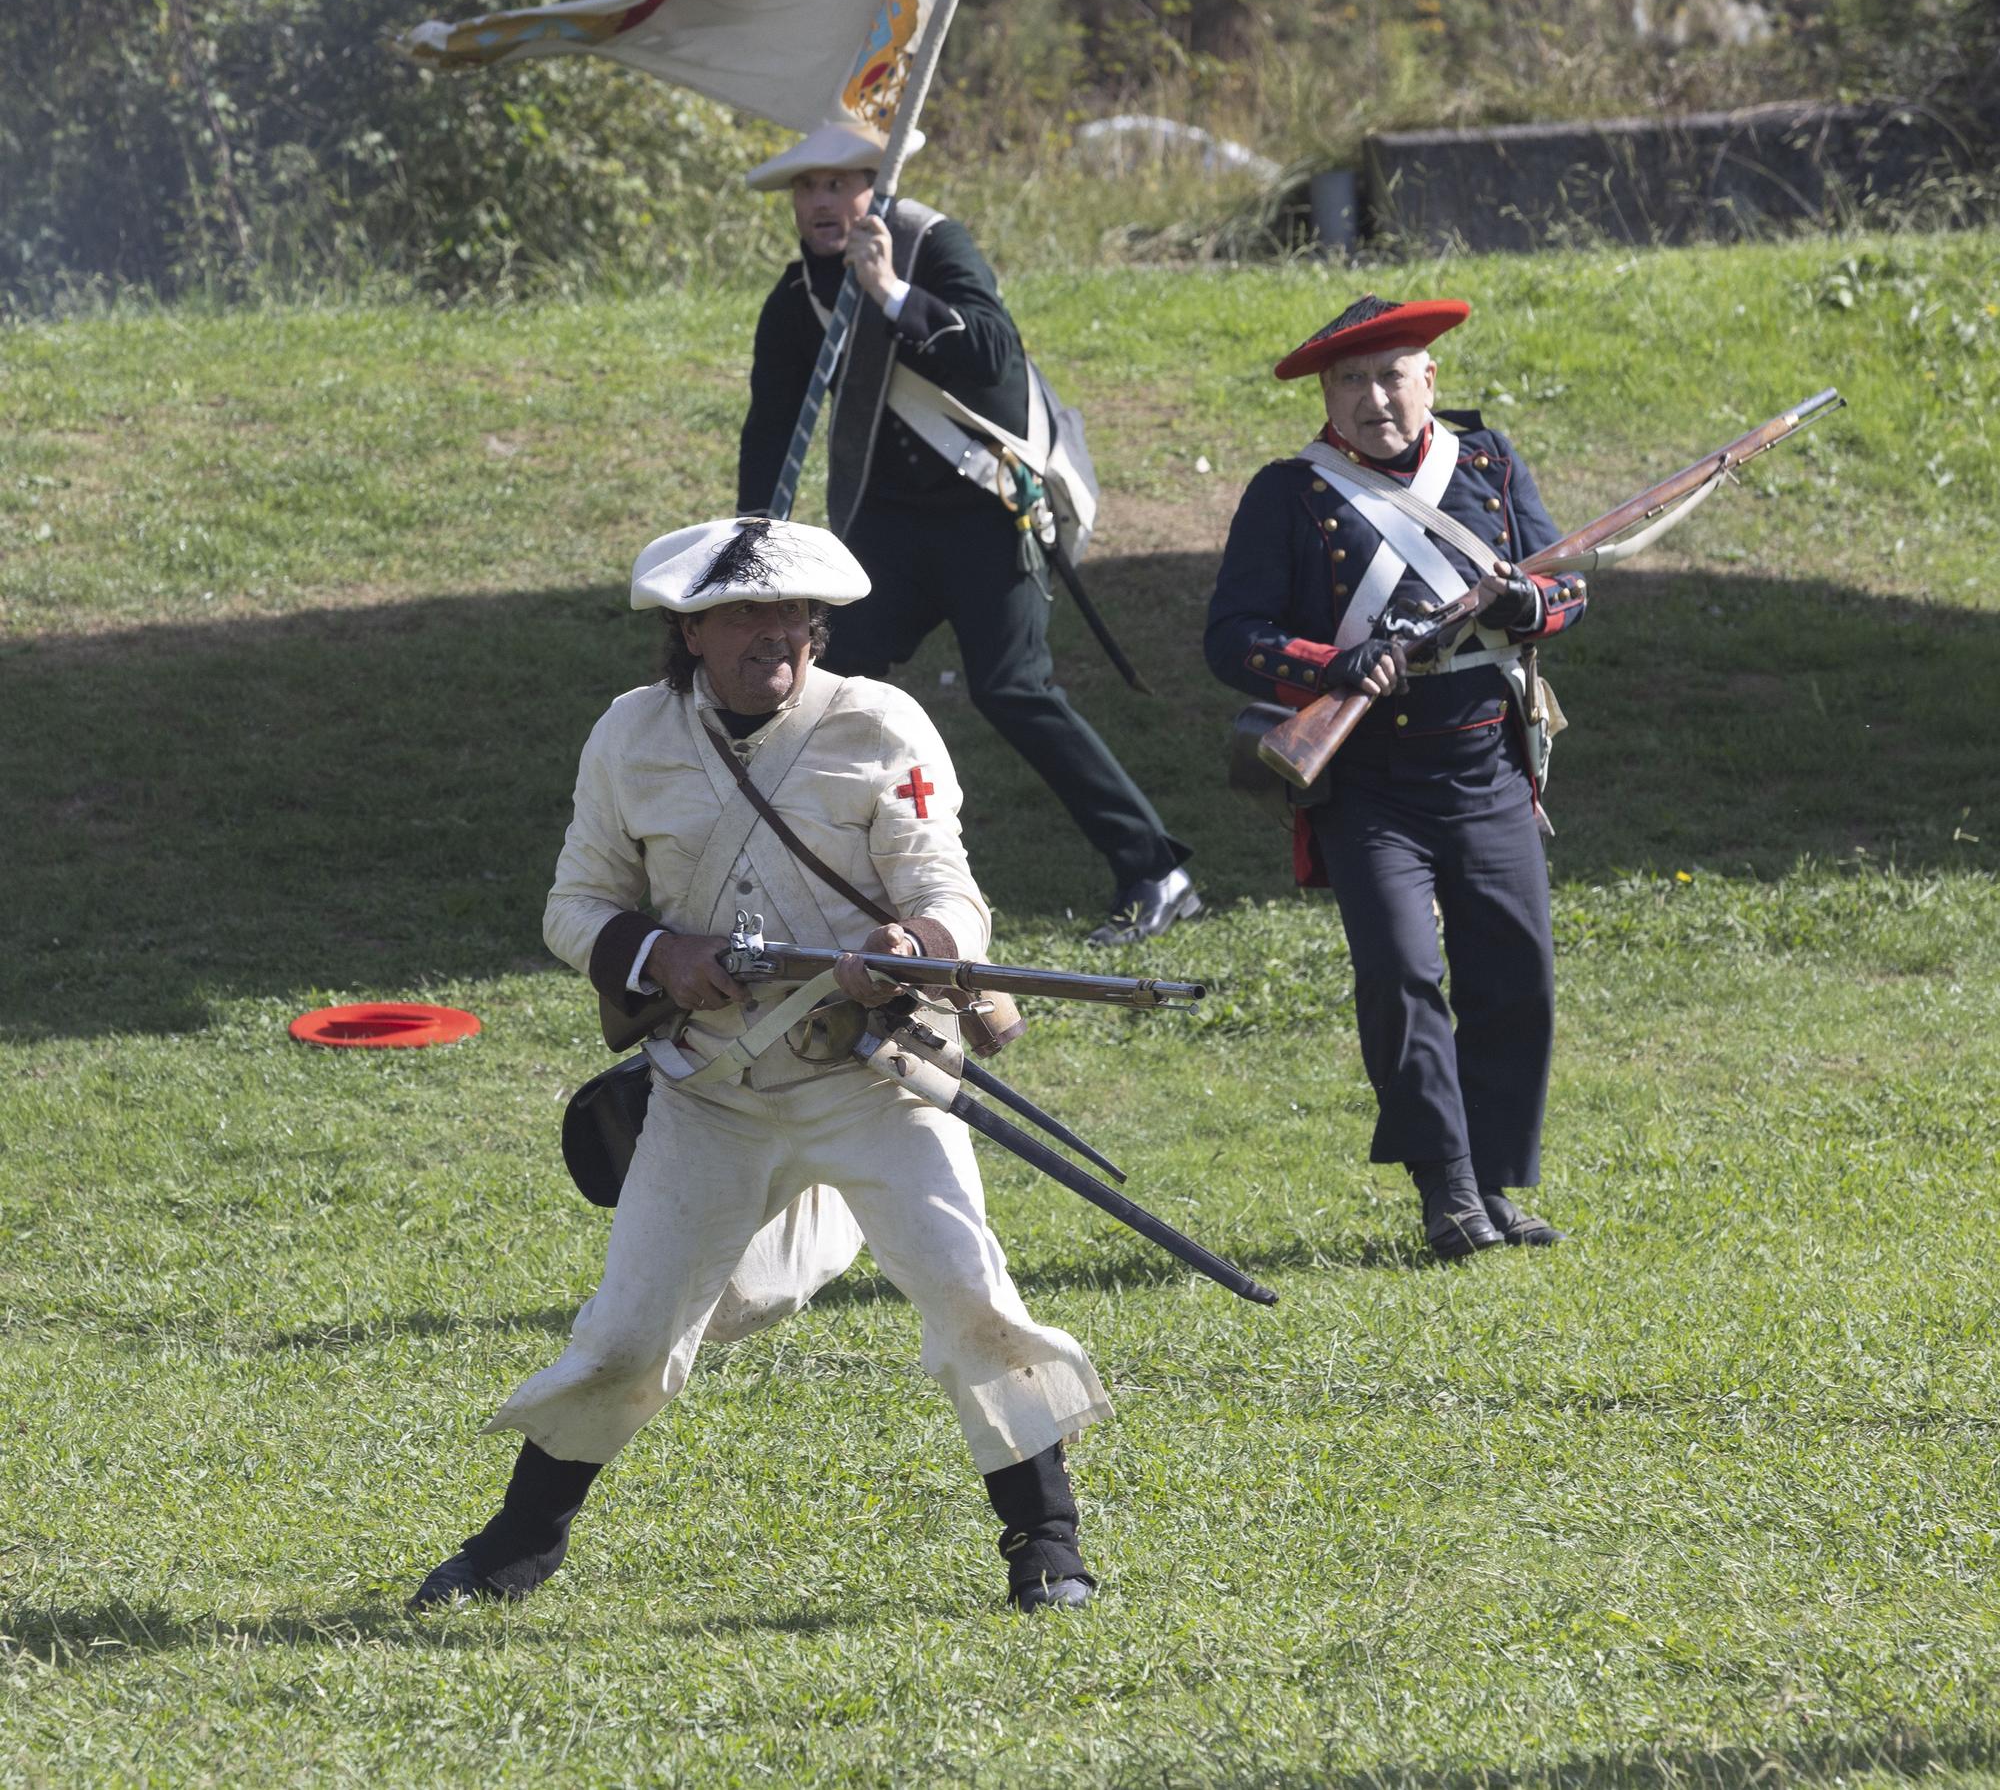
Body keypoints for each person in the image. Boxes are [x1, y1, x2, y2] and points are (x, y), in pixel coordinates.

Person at [411, 517, 1110, 1613]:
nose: (775, 635)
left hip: (876, 1077)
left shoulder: (881, 724)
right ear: (689, 631)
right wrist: (660, 956)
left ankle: (1047, 1549)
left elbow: (949, 895)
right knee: (627, 1336)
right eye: (745, 613)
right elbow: (574, 906)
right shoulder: (628, 737)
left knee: (972, 1298)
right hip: (714, 1090)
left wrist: (908, 952)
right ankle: (512, 1550)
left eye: (794, 614)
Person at [735, 119, 1197, 946]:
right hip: (885, 526)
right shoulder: (793, 299)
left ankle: (1155, 869)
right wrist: (754, 539)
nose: (824, 200)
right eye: (809, 186)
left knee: (1012, 688)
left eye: (844, 182)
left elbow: (992, 356)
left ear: (879, 187)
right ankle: (817, 877)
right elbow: (771, 426)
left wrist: (890, 295)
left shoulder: (936, 248)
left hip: (988, 511)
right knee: (823, 680)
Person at [1204, 296, 1590, 1260]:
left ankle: (1495, 1181)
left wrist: (1523, 600)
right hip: (1371, 781)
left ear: (1431, 379)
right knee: (1402, 976)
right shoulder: (1289, 492)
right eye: (1350, 379)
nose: (1373, 396)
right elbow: (1232, 639)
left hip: (1488, 764)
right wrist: (1330, 665)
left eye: (1392, 373)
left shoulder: (1490, 463)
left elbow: (1568, 588)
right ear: (1327, 393)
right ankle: (1448, 1192)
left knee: (1517, 975)